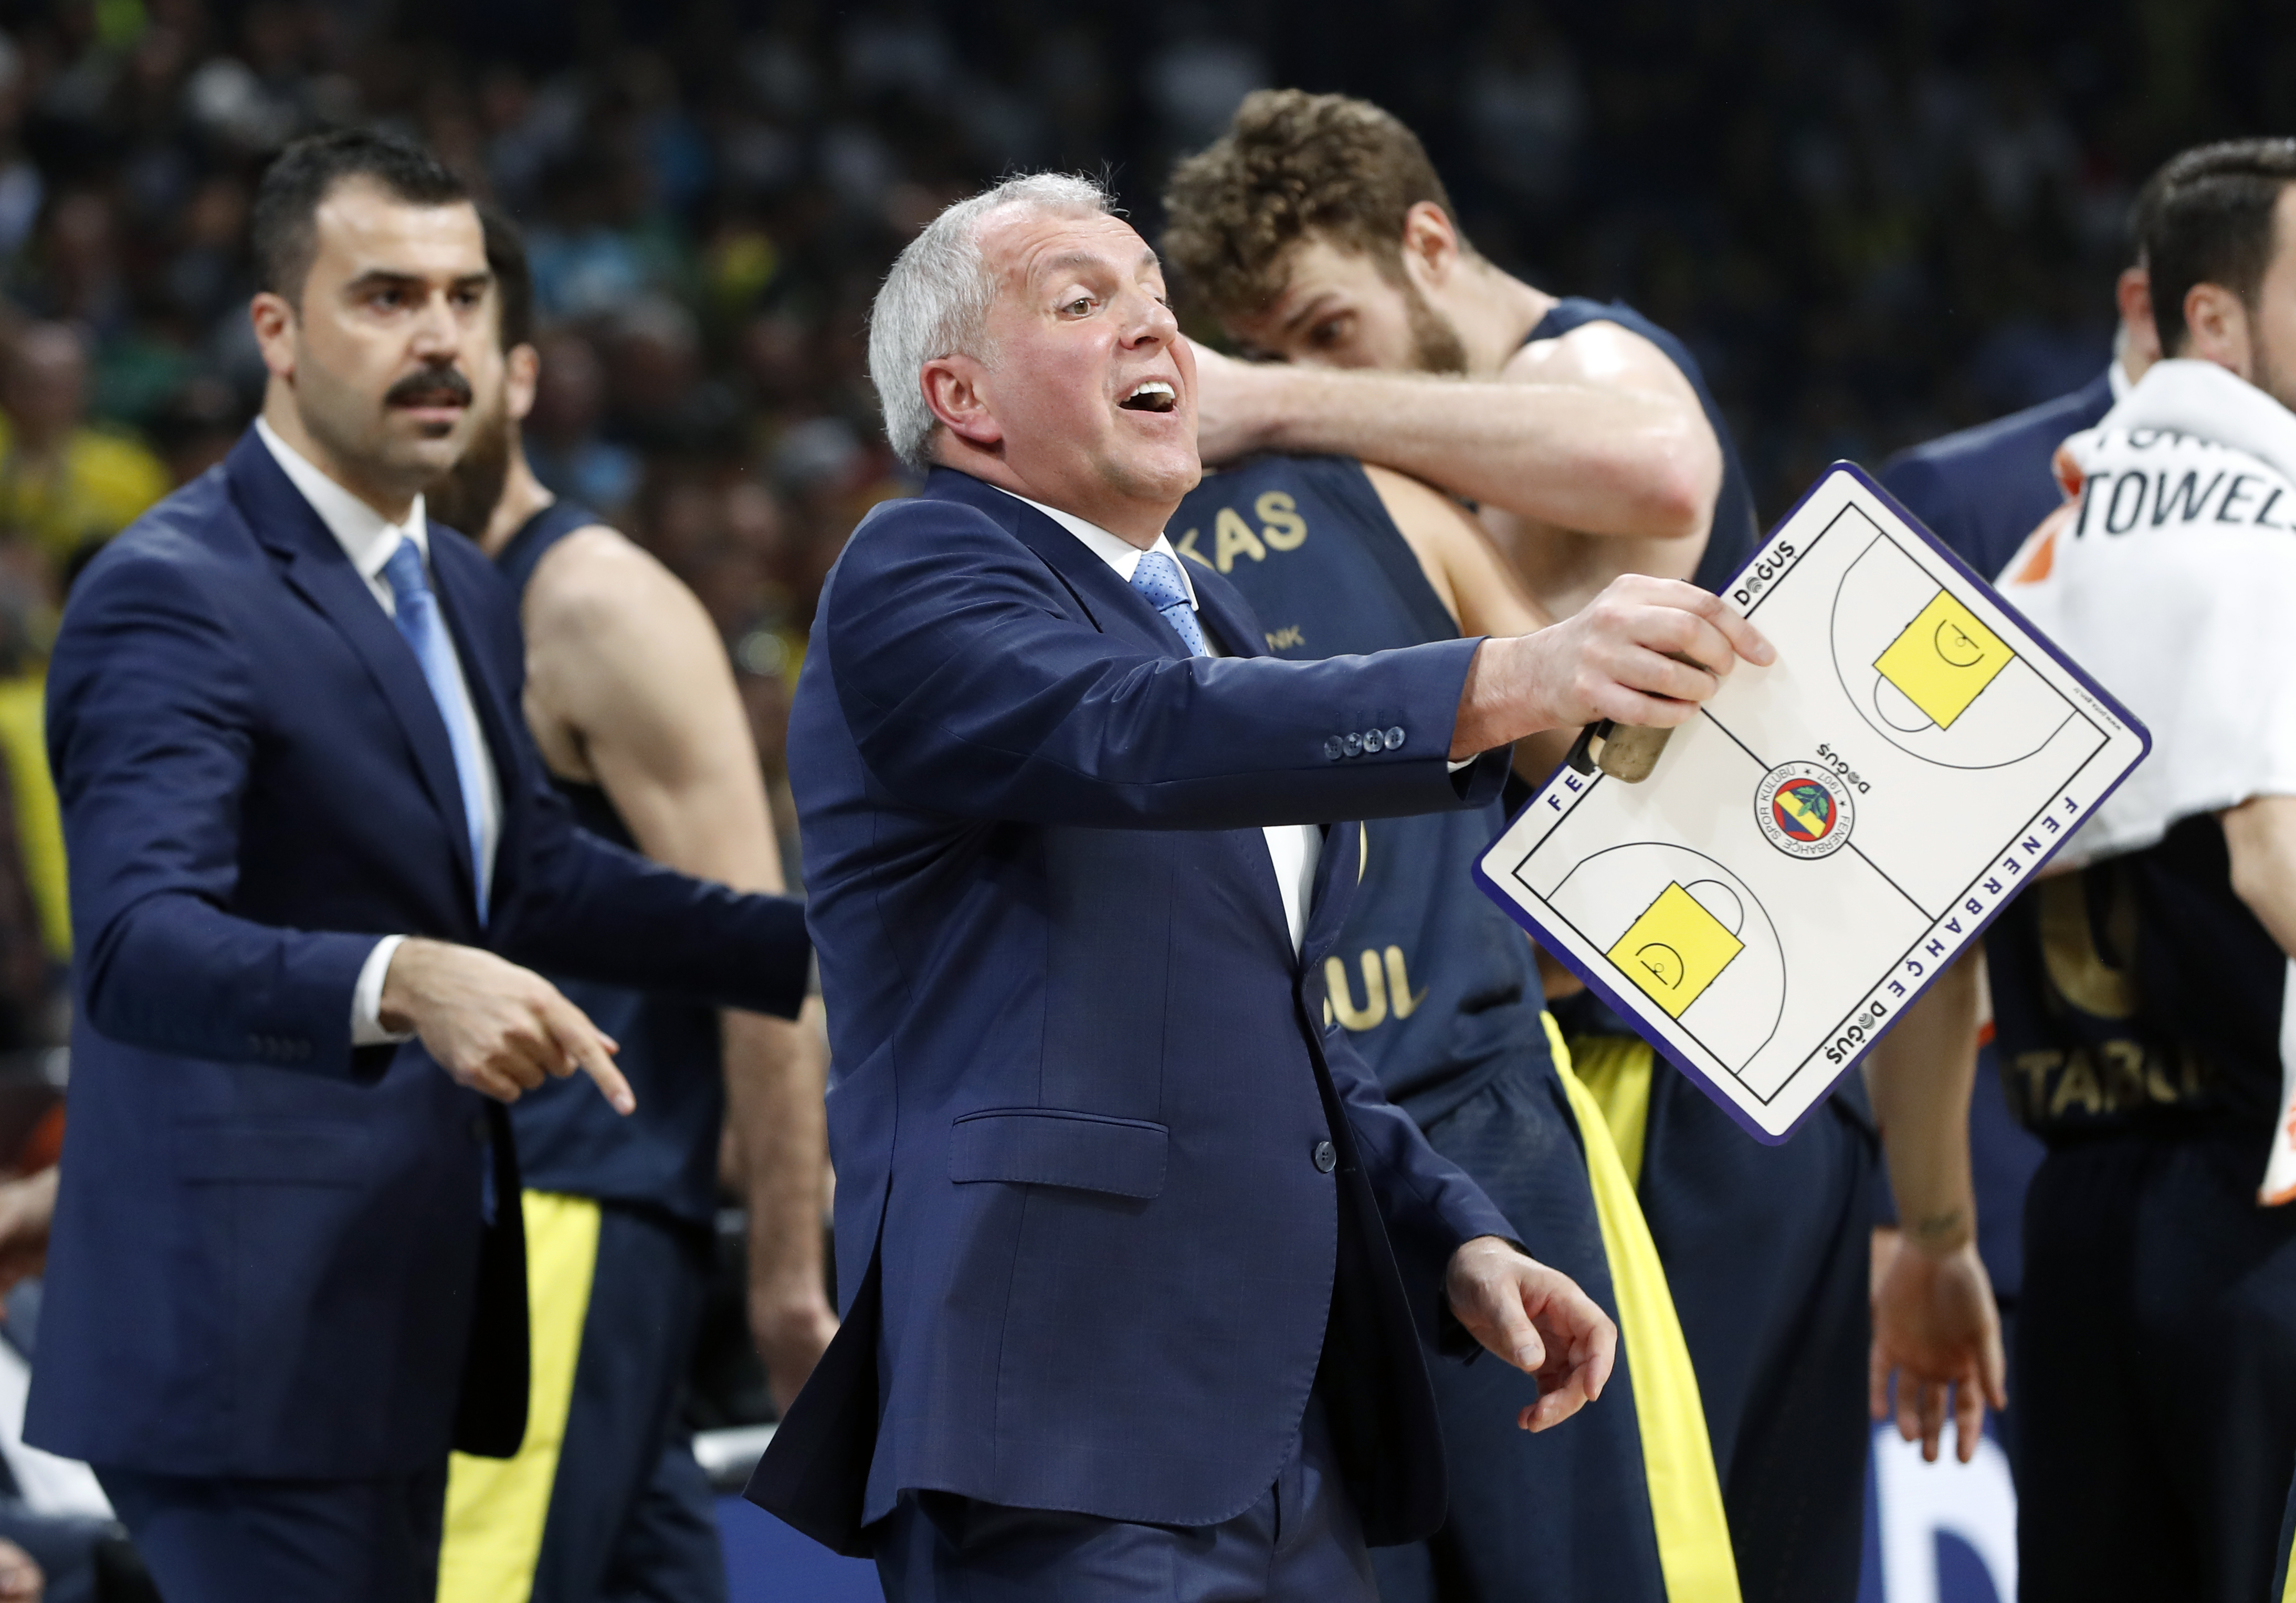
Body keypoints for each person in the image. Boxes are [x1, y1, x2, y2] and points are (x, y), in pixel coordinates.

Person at [746, 170, 1772, 1601]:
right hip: (1061, 1410)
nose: (1149, 329)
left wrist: (1443, 1228)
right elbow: (1134, 732)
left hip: (1274, 1423)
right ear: (960, 398)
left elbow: (1270, 1013)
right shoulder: (914, 568)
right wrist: (1509, 674)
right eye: (1081, 302)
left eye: (1155, 300)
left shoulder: (1197, 617)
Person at [20, 130, 814, 1603]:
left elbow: (533, 877)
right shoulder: (169, 594)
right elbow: (134, 946)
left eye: (463, 297)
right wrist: (401, 979)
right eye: (385, 295)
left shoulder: (451, 579)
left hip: (399, 1307)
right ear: (276, 331)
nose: (439, 336)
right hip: (242, 1344)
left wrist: (821, 946)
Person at [1162, 89, 1880, 1601]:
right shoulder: (1430, 473)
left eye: (1327, 330)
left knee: (1673, 1548)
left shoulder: (1574, 362)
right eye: (1277, 355)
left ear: (1426, 245)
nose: (1309, 382)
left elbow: (1662, 467)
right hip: (1666, 1036)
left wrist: (1277, 402)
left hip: (1689, 1062)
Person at [1180, 451, 1736, 1603]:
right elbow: (1596, 774)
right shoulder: (1379, 500)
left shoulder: (1088, 578)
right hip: (1424, 1121)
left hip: (1331, 1143)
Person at [422, 212, 837, 1603]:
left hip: (564, 1208)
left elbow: (761, 954)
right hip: (501, 1213)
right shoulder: (419, 598)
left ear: (523, 377)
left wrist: (785, 1279)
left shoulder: (592, 602)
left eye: (458, 342)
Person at [1960, 137, 2296, 1602]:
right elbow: (2272, 854)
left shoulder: (2035, 558)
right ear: (2208, 317)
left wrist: (1929, 1227)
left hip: (2076, 1213)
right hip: (2258, 1210)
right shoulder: (2265, 531)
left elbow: (1914, 935)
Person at [1872, 176, 2167, 1474]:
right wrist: (1907, 1210)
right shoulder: (1967, 497)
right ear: (2161, 305)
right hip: (2024, 1173)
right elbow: (1866, 874)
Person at [0, 324, 168, 573]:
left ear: (84, 388)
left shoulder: (130, 469)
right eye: (25, 382)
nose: (37, 399)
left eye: (55, 385)